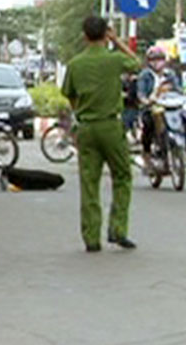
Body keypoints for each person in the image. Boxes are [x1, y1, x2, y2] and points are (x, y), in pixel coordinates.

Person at [60, 17, 142, 252]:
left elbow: (69, 95)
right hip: (111, 126)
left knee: (89, 183)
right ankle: (118, 229)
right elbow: (136, 64)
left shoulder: (75, 64)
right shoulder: (114, 59)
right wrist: (117, 41)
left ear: (84, 35)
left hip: (87, 127)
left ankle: (91, 237)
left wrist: (81, 113)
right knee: (122, 176)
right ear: (105, 34)